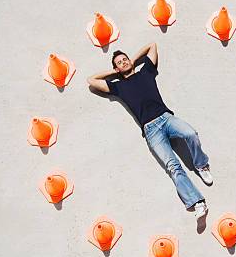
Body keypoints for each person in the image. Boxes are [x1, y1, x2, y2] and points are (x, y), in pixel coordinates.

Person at [87, 42, 212, 220]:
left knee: (190, 133)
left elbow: (152, 46)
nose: (123, 62)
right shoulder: (118, 87)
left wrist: (133, 60)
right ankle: (198, 202)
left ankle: (201, 165)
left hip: (166, 118)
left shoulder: (146, 72)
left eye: (125, 59)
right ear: (116, 68)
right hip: (151, 130)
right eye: (119, 62)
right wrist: (114, 73)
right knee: (173, 167)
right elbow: (91, 80)